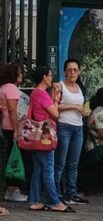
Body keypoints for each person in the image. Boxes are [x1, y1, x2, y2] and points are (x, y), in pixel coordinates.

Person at [28, 66, 74, 212]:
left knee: (38, 169)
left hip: (36, 136)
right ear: (44, 77)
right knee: (48, 168)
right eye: (49, 75)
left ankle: (34, 200)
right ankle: (54, 201)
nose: (51, 78)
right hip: (45, 136)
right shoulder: (42, 94)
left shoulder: (34, 93)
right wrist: (55, 98)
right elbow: (55, 114)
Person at [55, 58, 88, 205]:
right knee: (60, 163)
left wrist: (83, 111)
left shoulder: (80, 88)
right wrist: (73, 107)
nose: (72, 72)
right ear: (65, 72)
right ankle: (56, 193)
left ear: (79, 72)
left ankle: (71, 193)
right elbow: (55, 106)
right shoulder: (60, 86)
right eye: (70, 70)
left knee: (73, 164)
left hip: (78, 127)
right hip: (64, 126)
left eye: (75, 70)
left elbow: (82, 107)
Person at [0, 63, 29, 202]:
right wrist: (16, 130)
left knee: (9, 157)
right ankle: (13, 190)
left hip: (4, 126)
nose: (21, 75)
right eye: (20, 72)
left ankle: (9, 190)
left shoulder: (3, 87)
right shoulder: (11, 88)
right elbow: (13, 111)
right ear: (14, 74)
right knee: (15, 158)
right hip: (11, 127)